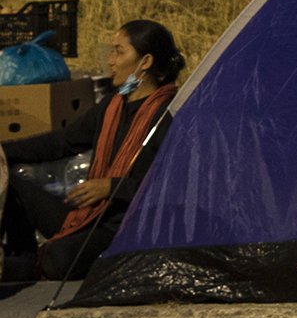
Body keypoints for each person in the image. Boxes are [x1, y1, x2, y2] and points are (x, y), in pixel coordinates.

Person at [1, 20, 185, 283]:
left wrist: (112, 188)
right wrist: (3, 151)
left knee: (59, 259)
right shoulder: (114, 104)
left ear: (145, 62)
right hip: (91, 213)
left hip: (125, 226)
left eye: (119, 52)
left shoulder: (168, 114)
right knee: (12, 182)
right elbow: (62, 142)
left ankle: (26, 265)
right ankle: (25, 258)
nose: (111, 61)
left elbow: (173, 190)